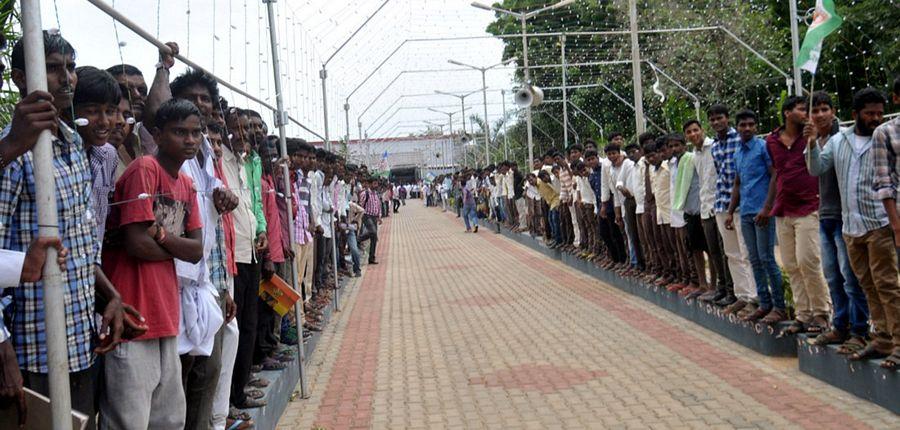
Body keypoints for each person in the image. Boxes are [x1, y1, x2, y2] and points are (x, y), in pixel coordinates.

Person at [1, 32, 137, 428]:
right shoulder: (12, 155)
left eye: (71, 68)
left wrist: (110, 296)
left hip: (80, 341)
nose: (66, 79)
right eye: (53, 68)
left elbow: (81, 244)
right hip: (30, 349)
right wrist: (2, 351)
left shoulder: (76, 147)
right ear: (21, 79)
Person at [101, 98, 205, 429]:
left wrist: (159, 235)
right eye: (179, 132)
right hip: (131, 309)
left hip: (164, 313)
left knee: (168, 419)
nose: (190, 140)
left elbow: (198, 250)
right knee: (129, 419)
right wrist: (175, 246)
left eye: (195, 133)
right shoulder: (145, 169)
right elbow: (135, 244)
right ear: (158, 135)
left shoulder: (187, 184)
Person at [809, 88, 900, 369]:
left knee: (887, 284)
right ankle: (882, 337)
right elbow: (816, 168)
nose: (875, 118)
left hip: (879, 223)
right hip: (851, 226)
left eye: (878, 113)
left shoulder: (885, 137)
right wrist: (811, 144)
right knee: (866, 284)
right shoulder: (839, 141)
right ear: (854, 115)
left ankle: (898, 342)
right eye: (868, 113)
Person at [805, 91, 869, 353]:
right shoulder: (816, 141)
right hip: (826, 215)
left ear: (833, 111)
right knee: (832, 275)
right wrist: (810, 144)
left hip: (847, 216)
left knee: (850, 276)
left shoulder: (844, 138)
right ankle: (839, 324)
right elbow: (814, 169)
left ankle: (860, 329)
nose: (820, 115)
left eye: (824, 110)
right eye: (816, 110)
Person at [764, 96, 831, 334]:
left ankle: (821, 313)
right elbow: (774, 173)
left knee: (808, 261)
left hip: (808, 207)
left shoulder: (812, 136)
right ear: (787, 113)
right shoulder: (771, 141)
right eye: (802, 109)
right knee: (791, 264)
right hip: (783, 209)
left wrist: (812, 140)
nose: (807, 114)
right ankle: (803, 315)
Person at [726, 109, 786, 325]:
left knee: (767, 258)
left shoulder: (763, 148)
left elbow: (774, 176)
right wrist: (731, 211)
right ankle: (764, 303)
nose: (747, 128)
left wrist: (767, 208)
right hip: (745, 211)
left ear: (756, 126)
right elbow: (738, 183)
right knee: (754, 259)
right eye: (743, 125)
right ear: (738, 127)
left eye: (751, 124)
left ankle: (779, 306)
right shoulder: (738, 153)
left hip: (762, 212)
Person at [709, 104, 758, 316]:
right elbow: (720, 174)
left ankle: (755, 298)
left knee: (747, 252)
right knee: (732, 253)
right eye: (712, 119)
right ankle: (742, 295)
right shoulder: (714, 147)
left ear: (727, 119)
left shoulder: (740, 140)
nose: (716, 122)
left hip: (741, 204)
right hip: (721, 203)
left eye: (719, 118)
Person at [684, 120, 734, 305]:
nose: (693, 134)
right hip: (705, 209)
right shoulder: (695, 155)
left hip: (719, 206)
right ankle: (721, 288)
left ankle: (731, 290)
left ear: (702, 130)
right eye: (689, 132)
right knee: (713, 252)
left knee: (725, 251)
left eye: (696, 130)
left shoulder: (713, 147)